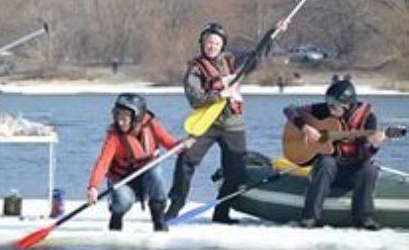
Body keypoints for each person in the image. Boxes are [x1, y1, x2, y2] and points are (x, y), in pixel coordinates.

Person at [165, 20, 289, 224]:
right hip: (207, 124)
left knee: (236, 173)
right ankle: (175, 206)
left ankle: (221, 212)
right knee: (185, 161)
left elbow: (256, 56)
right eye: (208, 42)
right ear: (202, 44)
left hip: (233, 124)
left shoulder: (232, 61)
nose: (211, 46)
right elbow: (195, 97)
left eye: (215, 42)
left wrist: (274, 32)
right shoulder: (195, 69)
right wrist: (219, 94)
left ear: (222, 44)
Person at [283, 74, 385, 230]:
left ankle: (364, 218)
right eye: (328, 104)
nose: (329, 109)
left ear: (347, 105)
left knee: (369, 169)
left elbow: (365, 155)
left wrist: (374, 146)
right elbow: (289, 109)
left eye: (334, 106)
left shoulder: (368, 119)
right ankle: (310, 217)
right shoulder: (325, 110)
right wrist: (305, 127)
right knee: (326, 162)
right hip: (329, 167)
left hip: (352, 167)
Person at [87, 93, 188, 231]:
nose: (120, 122)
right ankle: (116, 219)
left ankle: (158, 221)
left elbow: (170, 143)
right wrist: (93, 186)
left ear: (136, 118)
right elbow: (103, 162)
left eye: (124, 118)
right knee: (123, 201)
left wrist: (183, 145)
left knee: (156, 172)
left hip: (147, 179)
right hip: (123, 181)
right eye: (117, 117)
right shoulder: (114, 137)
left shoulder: (152, 126)